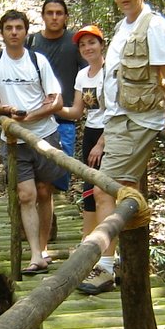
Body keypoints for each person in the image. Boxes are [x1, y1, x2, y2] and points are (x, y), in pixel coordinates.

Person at [86, 0, 165, 295]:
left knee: (105, 190)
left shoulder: (155, 27)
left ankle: (105, 266)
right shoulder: (122, 26)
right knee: (119, 190)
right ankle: (119, 262)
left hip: (138, 121)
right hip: (118, 120)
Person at [0, 9, 64, 275]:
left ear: (26, 32)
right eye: (9, 28)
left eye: (19, 28)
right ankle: (36, 255)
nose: (14, 32)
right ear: (2, 32)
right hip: (14, 140)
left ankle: (42, 247)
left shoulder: (38, 61)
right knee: (26, 195)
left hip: (44, 134)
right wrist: (7, 111)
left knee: (43, 192)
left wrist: (32, 115)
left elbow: (56, 100)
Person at [27, 0, 85, 193]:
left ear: (66, 17)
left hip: (63, 121)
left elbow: (87, 76)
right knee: (33, 183)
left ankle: (52, 222)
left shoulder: (76, 43)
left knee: (55, 183)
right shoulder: (31, 42)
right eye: (49, 13)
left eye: (59, 13)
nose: (54, 17)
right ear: (42, 16)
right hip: (34, 121)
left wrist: (80, 106)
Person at [57, 24, 107, 243]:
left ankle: (105, 247)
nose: (88, 48)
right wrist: (53, 107)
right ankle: (88, 241)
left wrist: (102, 143)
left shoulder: (112, 71)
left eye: (92, 42)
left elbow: (117, 112)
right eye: (83, 44)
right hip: (90, 132)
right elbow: (77, 111)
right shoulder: (82, 75)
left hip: (110, 135)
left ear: (101, 45)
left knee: (103, 190)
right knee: (89, 187)